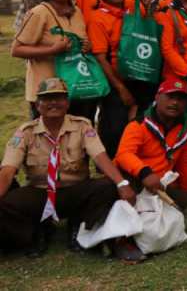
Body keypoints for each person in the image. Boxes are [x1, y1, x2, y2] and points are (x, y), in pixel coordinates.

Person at [0, 78, 140, 259]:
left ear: (67, 102)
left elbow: (101, 157)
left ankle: (79, 224)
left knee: (108, 186)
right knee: (5, 204)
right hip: (40, 192)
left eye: (58, 97)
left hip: (75, 191)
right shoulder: (25, 131)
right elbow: (7, 170)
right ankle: (36, 231)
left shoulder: (82, 125)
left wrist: (122, 183)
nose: (53, 103)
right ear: (37, 105)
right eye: (47, 99)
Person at [12, 0, 92, 118]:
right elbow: (17, 49)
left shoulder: (77, 12)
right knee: (47, 140)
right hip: (46, 93)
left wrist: (86, 46)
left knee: (76, 138)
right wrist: (52, 50)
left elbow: (80, 42)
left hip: (76, 89)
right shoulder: (39, 12)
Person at [88, 0, 146, 156]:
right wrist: (121, 89)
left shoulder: (132, 12)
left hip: (137, 78)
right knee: (115, 128)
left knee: (137, 127)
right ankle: (112, 171)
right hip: (114, 83)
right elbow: (99, 57)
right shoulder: (98, 18)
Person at [115, 79, 187, 210]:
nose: (175, 102)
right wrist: (145, 173)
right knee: (116, 195)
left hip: (160, 182)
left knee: (182, 201)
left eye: (180, 99)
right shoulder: (138, 124)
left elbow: (186, 159)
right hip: (133, 177)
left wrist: (186, 189)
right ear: (157, 97)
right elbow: (123, 155)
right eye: (170, 97)